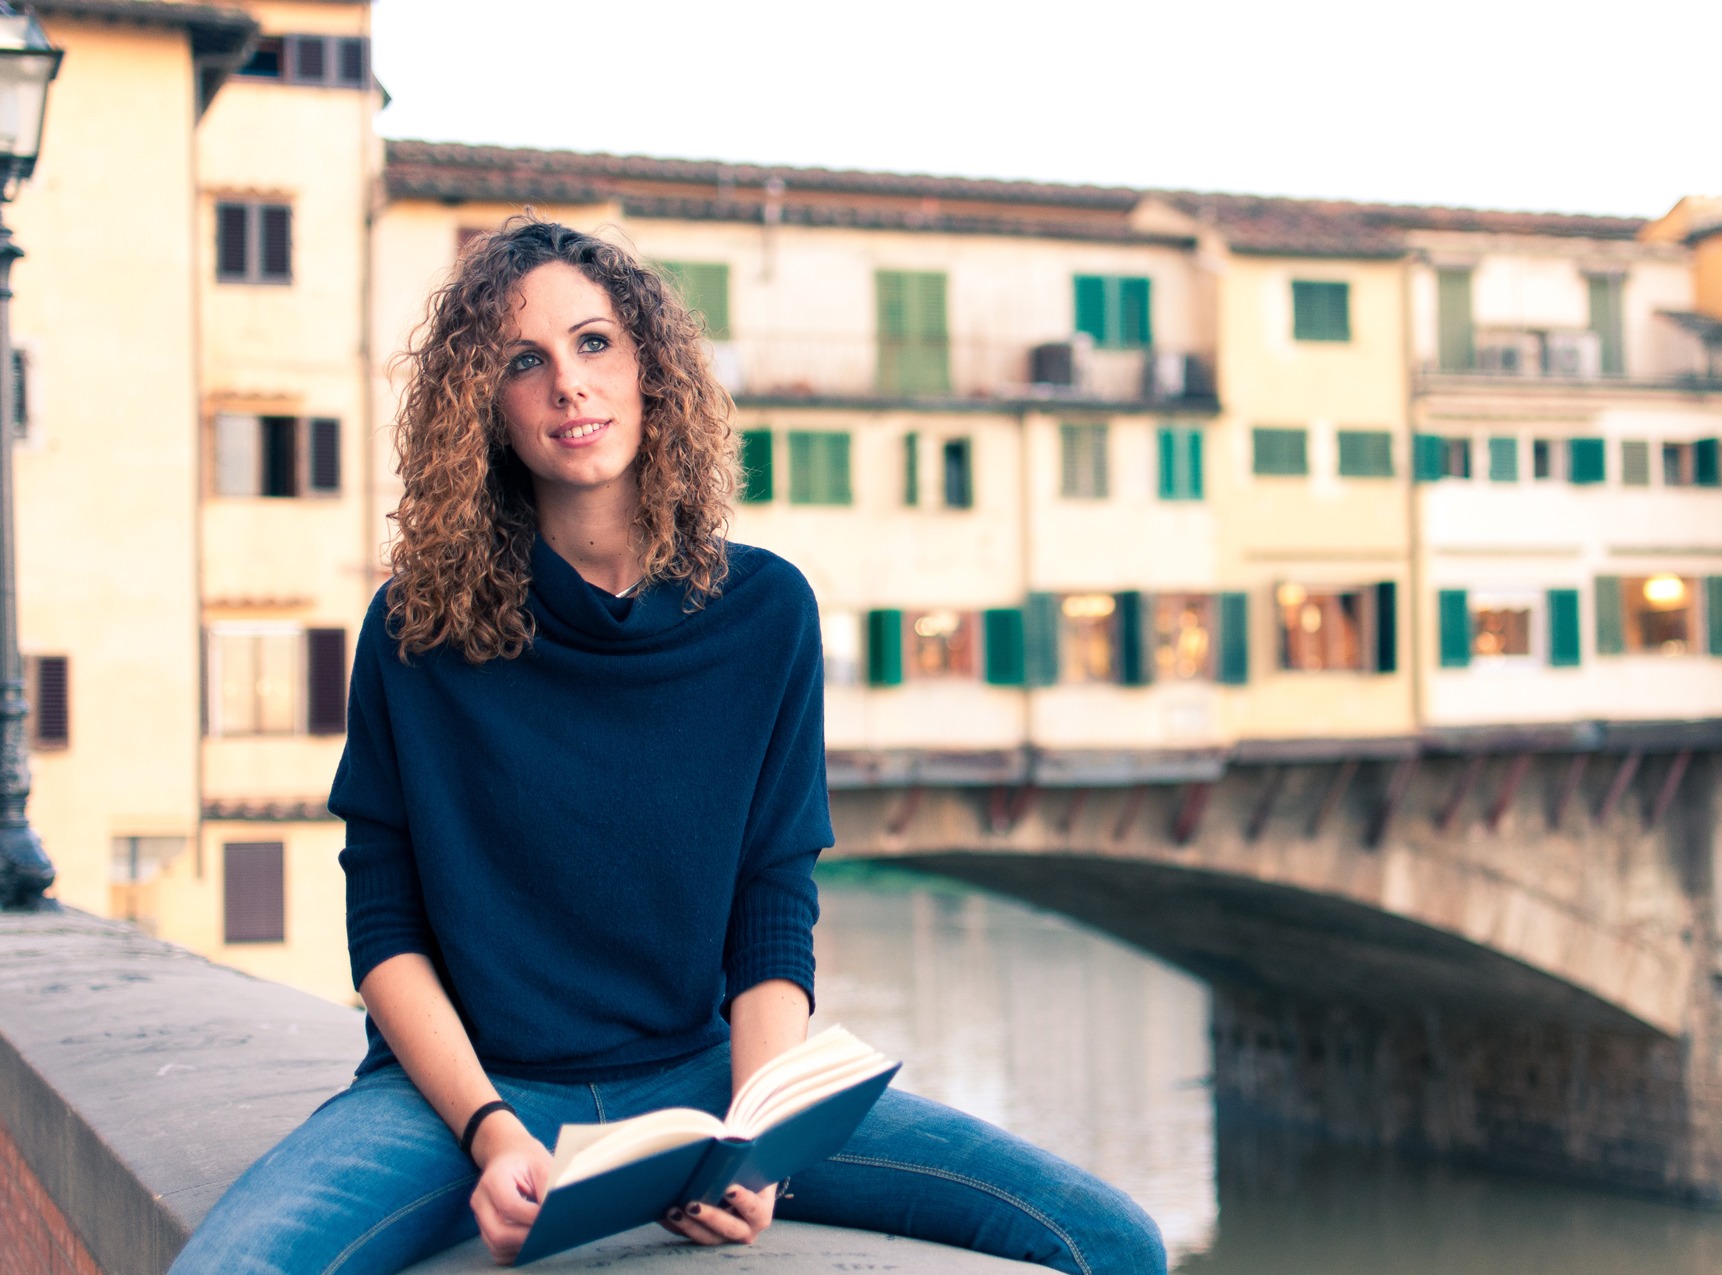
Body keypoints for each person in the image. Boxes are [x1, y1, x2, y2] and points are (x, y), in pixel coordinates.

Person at [169, 219, 1166, 1275]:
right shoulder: (417, 628)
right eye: (524, 361)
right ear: (484, 407)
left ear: (651, 369)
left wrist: (758, 1135)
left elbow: (772, 900)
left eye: (595, 344)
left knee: (1108, 1241)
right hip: (461, 1099)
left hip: (705, 1088)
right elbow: (385, 933)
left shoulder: (768, 612)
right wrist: (491, 1133)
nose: (568, 385)